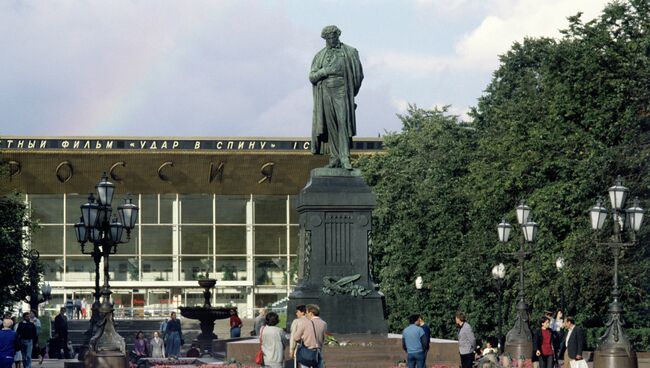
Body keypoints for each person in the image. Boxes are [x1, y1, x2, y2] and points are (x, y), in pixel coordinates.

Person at [309, 25, 364, 170]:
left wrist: (351, 93)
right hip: (325, 92)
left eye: (334, 37)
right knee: (331, 125)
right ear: (325, 39)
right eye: (328, 38)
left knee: (343, 124)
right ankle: (335, 157)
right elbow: (312, 77)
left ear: (338, 36)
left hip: (342, 91)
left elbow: (358, 75)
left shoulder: (350, 52)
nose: (331, 40)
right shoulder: (319, 56)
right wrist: (324, 71)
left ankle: (345, 158)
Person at [292, 304, 327, 368]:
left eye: (307, 312)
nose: (306, 314)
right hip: (318, 351)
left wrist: (302, 340)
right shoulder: (324, 323)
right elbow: (323, 338)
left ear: (311, 313)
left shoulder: (305, 323)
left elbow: (296, 337)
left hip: (306, 351)